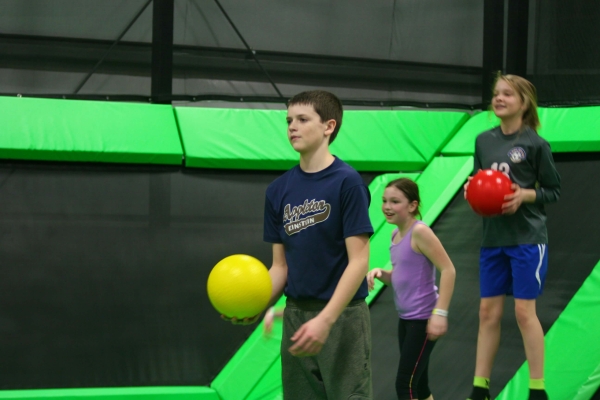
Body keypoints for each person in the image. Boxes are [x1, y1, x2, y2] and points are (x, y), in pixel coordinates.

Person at [252, 90, 373, 399]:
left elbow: (359, 262)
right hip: (295, 314)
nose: (292, 126)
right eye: (289, 120)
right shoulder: (278, 190)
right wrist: (252, 304)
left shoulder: (348, 183)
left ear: (328, 126)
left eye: (303, 119)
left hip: (343, 316)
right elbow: (280, 267)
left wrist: (326, 319)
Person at [464, 74, 561, 400]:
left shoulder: (535, 143)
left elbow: (554, 190)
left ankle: (537, 389)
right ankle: (480, 388)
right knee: (487, 313)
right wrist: (471, 190)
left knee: (523, 312)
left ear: (524, 102)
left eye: (507, 94)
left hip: (527, 239)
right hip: (493, 239)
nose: (499, 98)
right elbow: (479, 180)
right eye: (496, 94)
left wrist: (524, 195)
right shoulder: (482, 140)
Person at [367, 178, 456, 400]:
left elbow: (448, 270)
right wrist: (382, 274)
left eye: (395, 201)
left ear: (412, 205)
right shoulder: (395, 235)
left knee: (404, 384)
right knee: (420, 385)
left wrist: (440, 313)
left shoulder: (420, 232)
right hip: (406, 320)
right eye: (384, 200)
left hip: (422, 321)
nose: (387, 207)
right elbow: (404, 276)